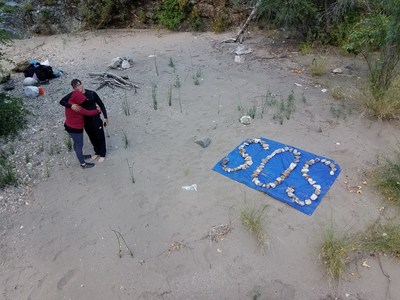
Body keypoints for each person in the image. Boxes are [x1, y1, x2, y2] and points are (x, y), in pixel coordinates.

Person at [60, 79, 108, 162]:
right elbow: (62, 101)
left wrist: (105, 117)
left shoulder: (92, 94)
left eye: (79, 85)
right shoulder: (73, 94)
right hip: (85, 121)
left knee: (100, 136)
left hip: (96, 119)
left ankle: (103, 154)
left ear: (82, 84)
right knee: (92, 137)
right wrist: (70, 106)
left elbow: (101, 104)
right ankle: (97, 152)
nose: (78, 87)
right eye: (75, 87)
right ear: (73, 88)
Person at [64, 90, 101, 169]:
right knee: (79, 145)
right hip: (75, 129)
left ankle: (80, 156)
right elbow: (88, 113)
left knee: (76, 143)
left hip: (68, 126)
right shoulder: (77, 108)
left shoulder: (70, 102)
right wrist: (97, 110)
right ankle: (83, 164)